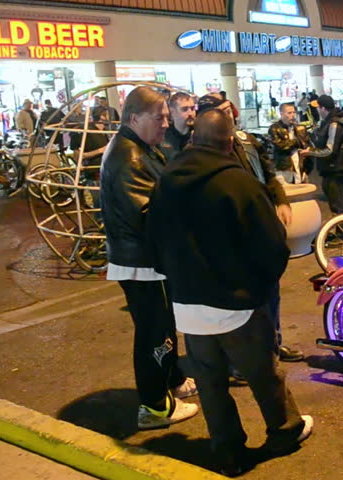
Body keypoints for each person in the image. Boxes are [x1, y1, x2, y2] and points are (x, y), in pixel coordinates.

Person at [147, 108, 312, 476]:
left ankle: (227, 449)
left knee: (210, 382)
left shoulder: (167, 180)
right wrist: (260, 286)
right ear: (228, 141)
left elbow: (153, 238)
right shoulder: (237, 183)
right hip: (237, 304)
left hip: (189, 305)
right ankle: (284, 433)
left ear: (194, 138)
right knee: (263, 375)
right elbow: (272, 244)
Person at [99, 86, 198, 430]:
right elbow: (148, 213)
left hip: (149, 260)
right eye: (159, 118)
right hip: (142, 262)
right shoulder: (130, 157)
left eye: (167, 118)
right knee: (154, 333)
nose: (165, 124)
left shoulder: (142, 148)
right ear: (134, 118)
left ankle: (171, 382)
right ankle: (154, 406)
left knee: (164, 326)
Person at [196, 94, 304, 363]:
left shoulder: (247, 141)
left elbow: (269, 175)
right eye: (221, 112)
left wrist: (280, 200)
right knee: (239, 300)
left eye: (228, 110)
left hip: (258, 227)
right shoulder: (202, 150)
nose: (228, 116)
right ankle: (240, 358)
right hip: (230, 235)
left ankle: (273, 344)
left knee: (270, 290)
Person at [300, 95, 343, 224]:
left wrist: (311, 152)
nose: (317, 110)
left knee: (338, 205)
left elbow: (330, 150)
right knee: (335, 204)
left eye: (318, 107)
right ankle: (339, 230)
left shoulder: (334, 124)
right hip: (332, 169)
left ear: (323, 108)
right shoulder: (331, 121)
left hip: (336, 169)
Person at [269, 103, 311, 184]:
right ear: (281, 114)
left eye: (294, 112)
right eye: (289, 113)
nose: (293, 115)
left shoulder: (300, 128)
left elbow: (307, 146)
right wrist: (296, 142)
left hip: (300, 168)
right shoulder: (274, 128)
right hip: (284, 170)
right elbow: (281, 146)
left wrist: (307, 167)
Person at [161, 92, 196, 163]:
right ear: (172, 111)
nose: (190, 113)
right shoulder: (163, 135)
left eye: (192, 108)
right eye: (184, 109)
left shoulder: (200, 133)